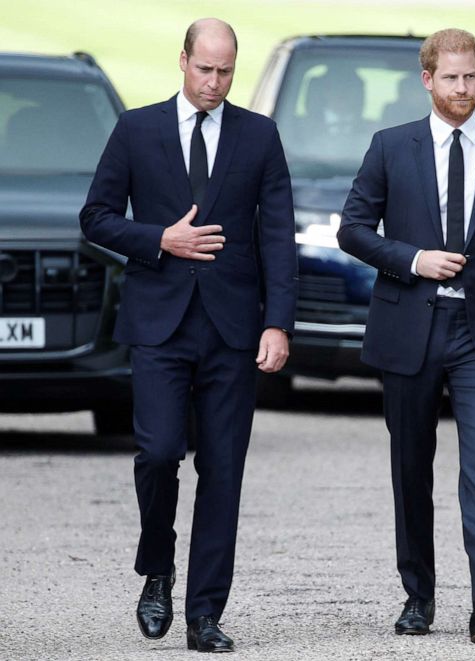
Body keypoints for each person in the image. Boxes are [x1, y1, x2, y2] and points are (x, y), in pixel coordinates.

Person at [79, 18, 297, 653]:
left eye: (226, 71)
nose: (215, 82)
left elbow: (278, 235)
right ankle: (157, 568)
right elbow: (95, 217)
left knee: (223, 470)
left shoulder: (259, 135)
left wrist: (278, 321)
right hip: (159, 325)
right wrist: (158, 240)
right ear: (183, 62)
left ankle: (204, 613)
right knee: (156, 453)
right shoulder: (137, 129)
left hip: (233, 329)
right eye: (205, 69)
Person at [337, 28, 475, 644]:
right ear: (428, 79)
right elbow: (352, 230)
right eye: (451, 78)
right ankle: (418, 596)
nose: (463, 88)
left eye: (472, 78)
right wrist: (413, 259)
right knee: (411, 465)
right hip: (410, 321)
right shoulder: (390, 146)